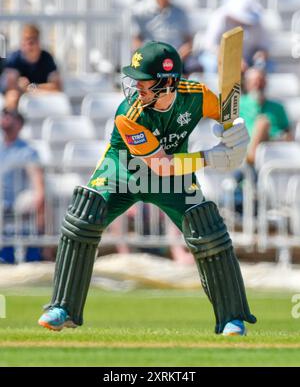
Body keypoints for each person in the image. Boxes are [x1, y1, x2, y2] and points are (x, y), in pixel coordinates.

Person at [38, 41, 256, 336]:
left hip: (174, 178)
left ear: (168, 83)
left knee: (209, 232)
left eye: (145, 81)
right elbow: (161, 165)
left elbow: (227, 119)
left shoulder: (196, 95)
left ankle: (232, 317)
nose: (136, 86)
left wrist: (237, 135)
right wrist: (210, 157)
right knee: (83, 218)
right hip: (123, 172)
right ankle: (62, 307)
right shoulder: (129, 115)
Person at [0, 109, 45, 263]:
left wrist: (39, 201)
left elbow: (38, 183)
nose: (5, 118)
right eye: (3, 115)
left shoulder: (28, 151)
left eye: (9, 115)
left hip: (18, 206)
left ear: (19, 124)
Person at [195, 0, 271, 73]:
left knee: (267, 66)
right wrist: (232, 59)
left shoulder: (257, 23)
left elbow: (264, 47)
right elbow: (210, 45)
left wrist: (260, 56)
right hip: (219, 58)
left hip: (248, 60)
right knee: (212, 64)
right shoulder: (220, 18)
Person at [131, 0, 197, 75]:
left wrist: (175, 59)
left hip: (177, 62)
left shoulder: (181, 13)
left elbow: (189, 42)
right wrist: (149, 58)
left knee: (193, 70)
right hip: (150, 62)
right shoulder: (140, 11)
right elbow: (136, 40)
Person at [2, 24, 62, 110]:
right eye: (26, 39)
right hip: (20, 95)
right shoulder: (14, 58)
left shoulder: (47, 58)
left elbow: (57, 86)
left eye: (33, 40)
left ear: (38, 41)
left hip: (41, 95)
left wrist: (32, 87)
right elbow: (10, 87)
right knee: (12, 96)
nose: (29, 44)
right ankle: (10, 121)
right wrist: (20, 86)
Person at [240, 67, 292, 165]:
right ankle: (252, 162)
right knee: (262, 122)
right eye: (255, 82)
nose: (258, 85)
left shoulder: (278, 107)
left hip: (275, 147)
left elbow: (287, 133)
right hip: (248, 146)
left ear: (266, 83)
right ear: (247, 84)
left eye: (261, 81)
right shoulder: (239, 105)